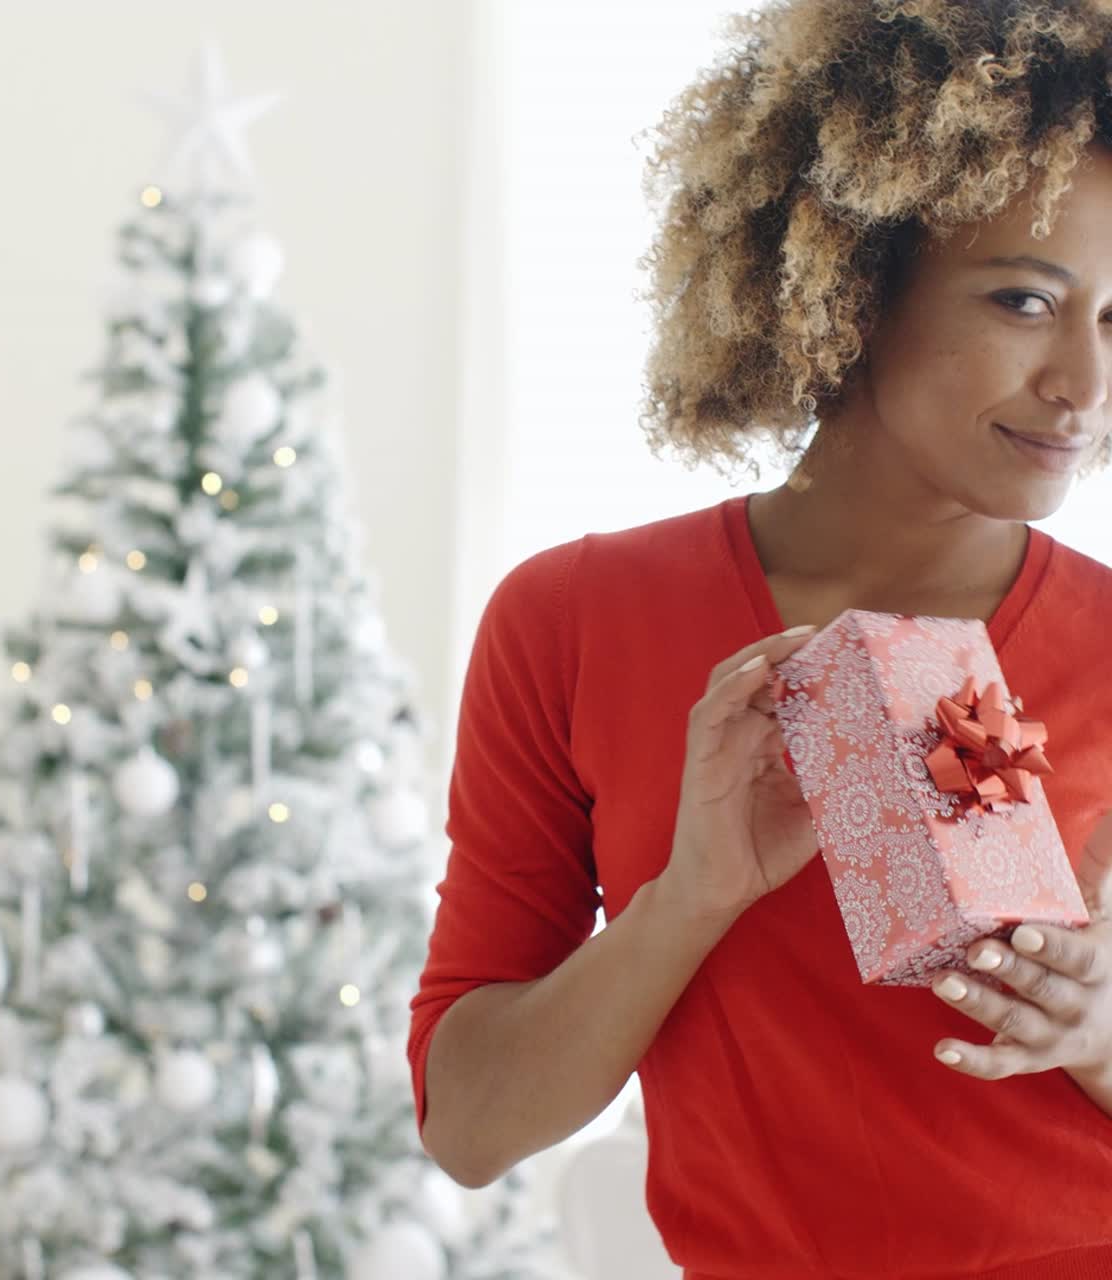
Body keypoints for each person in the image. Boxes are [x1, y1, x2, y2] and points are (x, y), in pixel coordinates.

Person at [408, 0, 1112, 1275]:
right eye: (1023, 300)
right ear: (848, 281)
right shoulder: (572, 620)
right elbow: (467, 1123)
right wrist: (691, 895)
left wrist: (1099, 1029)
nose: (1083, 382)